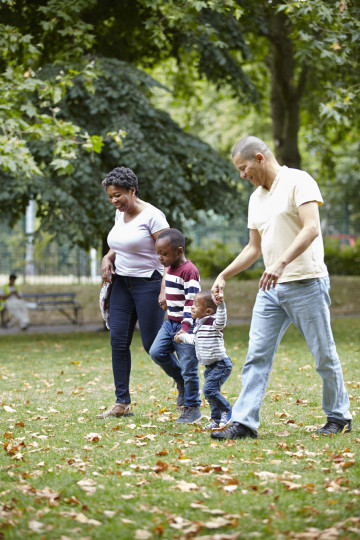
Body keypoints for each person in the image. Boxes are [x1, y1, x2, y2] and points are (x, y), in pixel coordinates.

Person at [211, 135, 352, 441]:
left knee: (323, 355)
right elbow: (253, 248)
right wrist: (224, 274)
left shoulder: (298, 181)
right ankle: (245, 422)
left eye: (243, 167)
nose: (242, 175)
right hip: (271, 289)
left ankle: (339, 415)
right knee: (256, 355)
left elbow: (311, 227)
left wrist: (282, 263)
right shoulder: (256, 198)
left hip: (306, 282)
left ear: (259, 158)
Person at [96, 166, 169, 419]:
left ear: (132, 190)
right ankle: (122, 402)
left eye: (118, 195)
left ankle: (184, 384)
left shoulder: (153, 217)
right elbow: (120, 244)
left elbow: (169, 255)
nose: (114, 201)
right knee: (118, 341)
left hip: (149, 284)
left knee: (154, 347)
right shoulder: (121, 214)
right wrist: (107, 257)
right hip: (122, 285)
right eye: (110, 196)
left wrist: (164, 287)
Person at [149, 228, 202, 424]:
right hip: (170, 322)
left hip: (186, 326)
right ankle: (180, 380)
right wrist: (167, 303)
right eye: (158, 254)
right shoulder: (170, 268)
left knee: (190, 367)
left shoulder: (190, 271)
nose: (160, 258)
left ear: (179, 251)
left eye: (164, 254)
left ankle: (192, 407)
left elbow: (191, 302)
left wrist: (186, 328)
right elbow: (174, 295)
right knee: (156, 352)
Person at [175, 290, 232, 430]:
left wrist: (221, 304)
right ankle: (217, 420)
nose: (192, 307)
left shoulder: (214, 324)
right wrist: (182, 337)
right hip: (210, 367)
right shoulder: (198, 326)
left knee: (209, 390)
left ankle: (228, 410)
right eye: (192, 304)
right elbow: (194, 340)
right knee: (211, 396)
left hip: (221, 365)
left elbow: (222, 319)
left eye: (196, 305)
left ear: (208, 311)